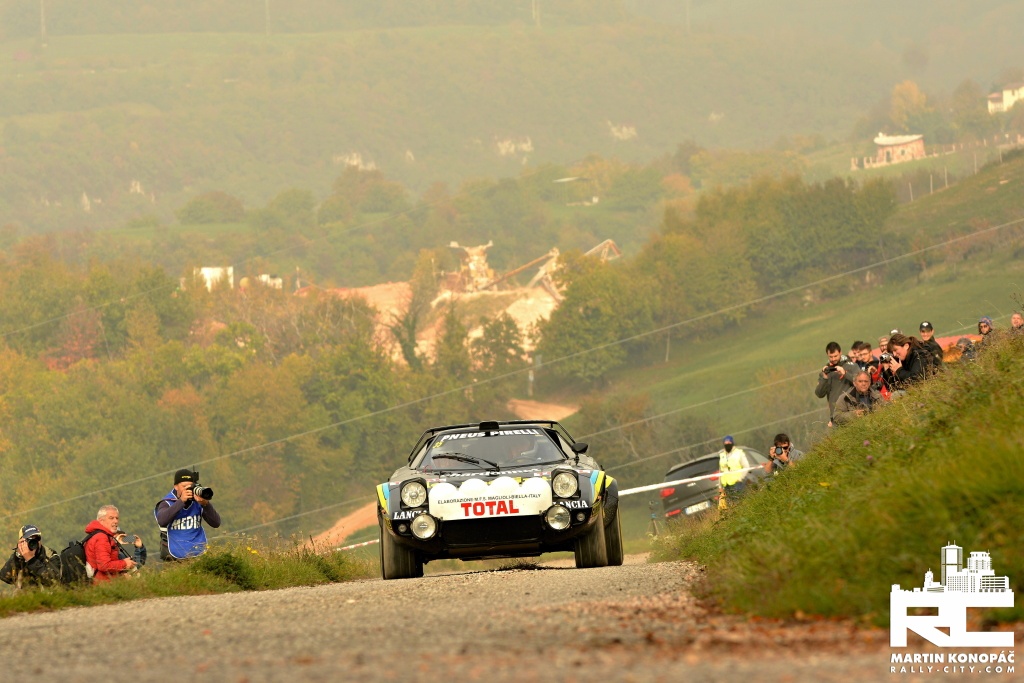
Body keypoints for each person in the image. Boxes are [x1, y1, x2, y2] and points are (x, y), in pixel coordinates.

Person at [154, 469, 221, 560]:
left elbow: (216, 523)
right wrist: (181, 501)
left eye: (190, 486)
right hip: (174, 556)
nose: (188, 489)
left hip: (198, 553)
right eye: (184, 486)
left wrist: (206, 504)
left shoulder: (197, 501)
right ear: (176, 486)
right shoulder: (167, 502)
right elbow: (162, 521)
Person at [84, 506, 136, 582]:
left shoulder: (99, 535)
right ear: (101, 520)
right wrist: (124, 563)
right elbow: (104, 566)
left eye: (117, 518)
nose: (116, 521)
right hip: (102, 584)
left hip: (103, 582)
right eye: (111, 518)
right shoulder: (101, 538)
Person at [1, 524, 62, 589]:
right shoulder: (19, 557)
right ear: (21, 542)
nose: (34, 542)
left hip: (46, 594)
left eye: (37, 538)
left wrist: (31, 560)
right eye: (29, 539)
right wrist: (18, 557)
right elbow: (5, 578)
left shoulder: (49, 555)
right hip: (25, 594)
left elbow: (53, 581)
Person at [814, 341, 860, 426]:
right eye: (831, 357)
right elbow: (819, 394)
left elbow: (860, 383)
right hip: (835, 416)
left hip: (851, 412)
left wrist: (845, 373)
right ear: (827, 355)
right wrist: (824, 377)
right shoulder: (826, 371)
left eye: (835, 356)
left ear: (840, 352)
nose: (833, 359)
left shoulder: (852, 366)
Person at [718, 435, 751, 502]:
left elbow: (746, 466)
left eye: (729, 443)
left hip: (737, 484)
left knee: (739, 502)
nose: (727, 444)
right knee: (731, 504)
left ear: (732, 443)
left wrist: (740, 478)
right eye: (726, 443)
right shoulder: (722, 455)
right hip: (726, 485)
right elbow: (720, 471)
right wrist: (720, 486)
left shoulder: (739, 453)